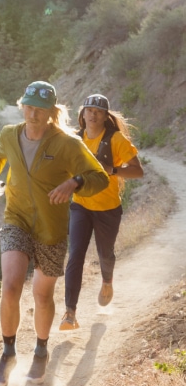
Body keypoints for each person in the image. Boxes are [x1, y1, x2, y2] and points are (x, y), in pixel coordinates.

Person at [0, 81, 109, 386]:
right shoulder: (9, 135)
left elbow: (99, 177)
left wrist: (74, 183)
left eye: (40, 110)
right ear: (21, 106)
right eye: (29, 107)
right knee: (10, 287)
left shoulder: (66, 144)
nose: (33, 114)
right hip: (17, 220)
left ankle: (40, 349)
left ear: (51, 113)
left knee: (42, 294)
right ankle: (8, 352)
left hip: (51, 229)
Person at [59, 94, 144, 330]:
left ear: (106, 117)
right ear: (83, 114)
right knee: (75, 255)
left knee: (105, 254)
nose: (93, 114)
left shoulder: (115, 139)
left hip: (108, 209)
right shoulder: (75, 139)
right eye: (89, 110)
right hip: (81, 206)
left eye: (98, 111)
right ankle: (70, 313)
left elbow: (138, 171)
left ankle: (107, 281)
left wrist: (113, 169)